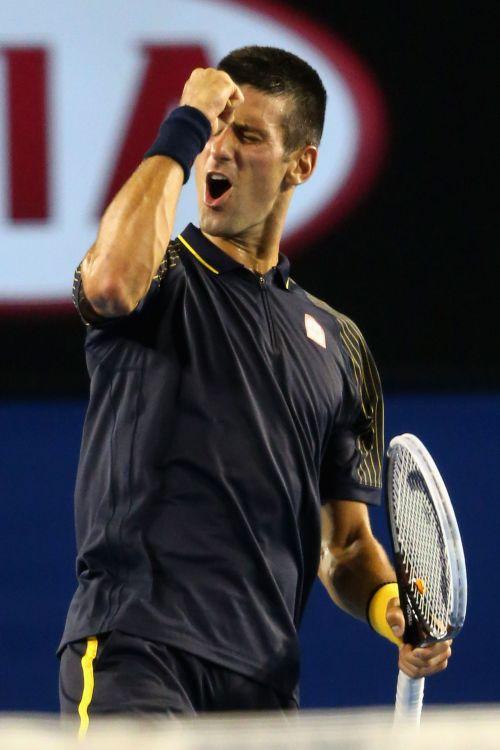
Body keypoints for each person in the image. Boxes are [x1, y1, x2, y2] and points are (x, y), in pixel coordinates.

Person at [58, 46, 451, 732]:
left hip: (262, 693)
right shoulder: (159, 275)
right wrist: (184, 120)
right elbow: (111, 282)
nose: (218, 151)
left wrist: (393, 607)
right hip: (136, 650)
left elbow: (348, 546)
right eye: (212, 131)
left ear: (301, 163)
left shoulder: (341, 346)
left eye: (246, 135)